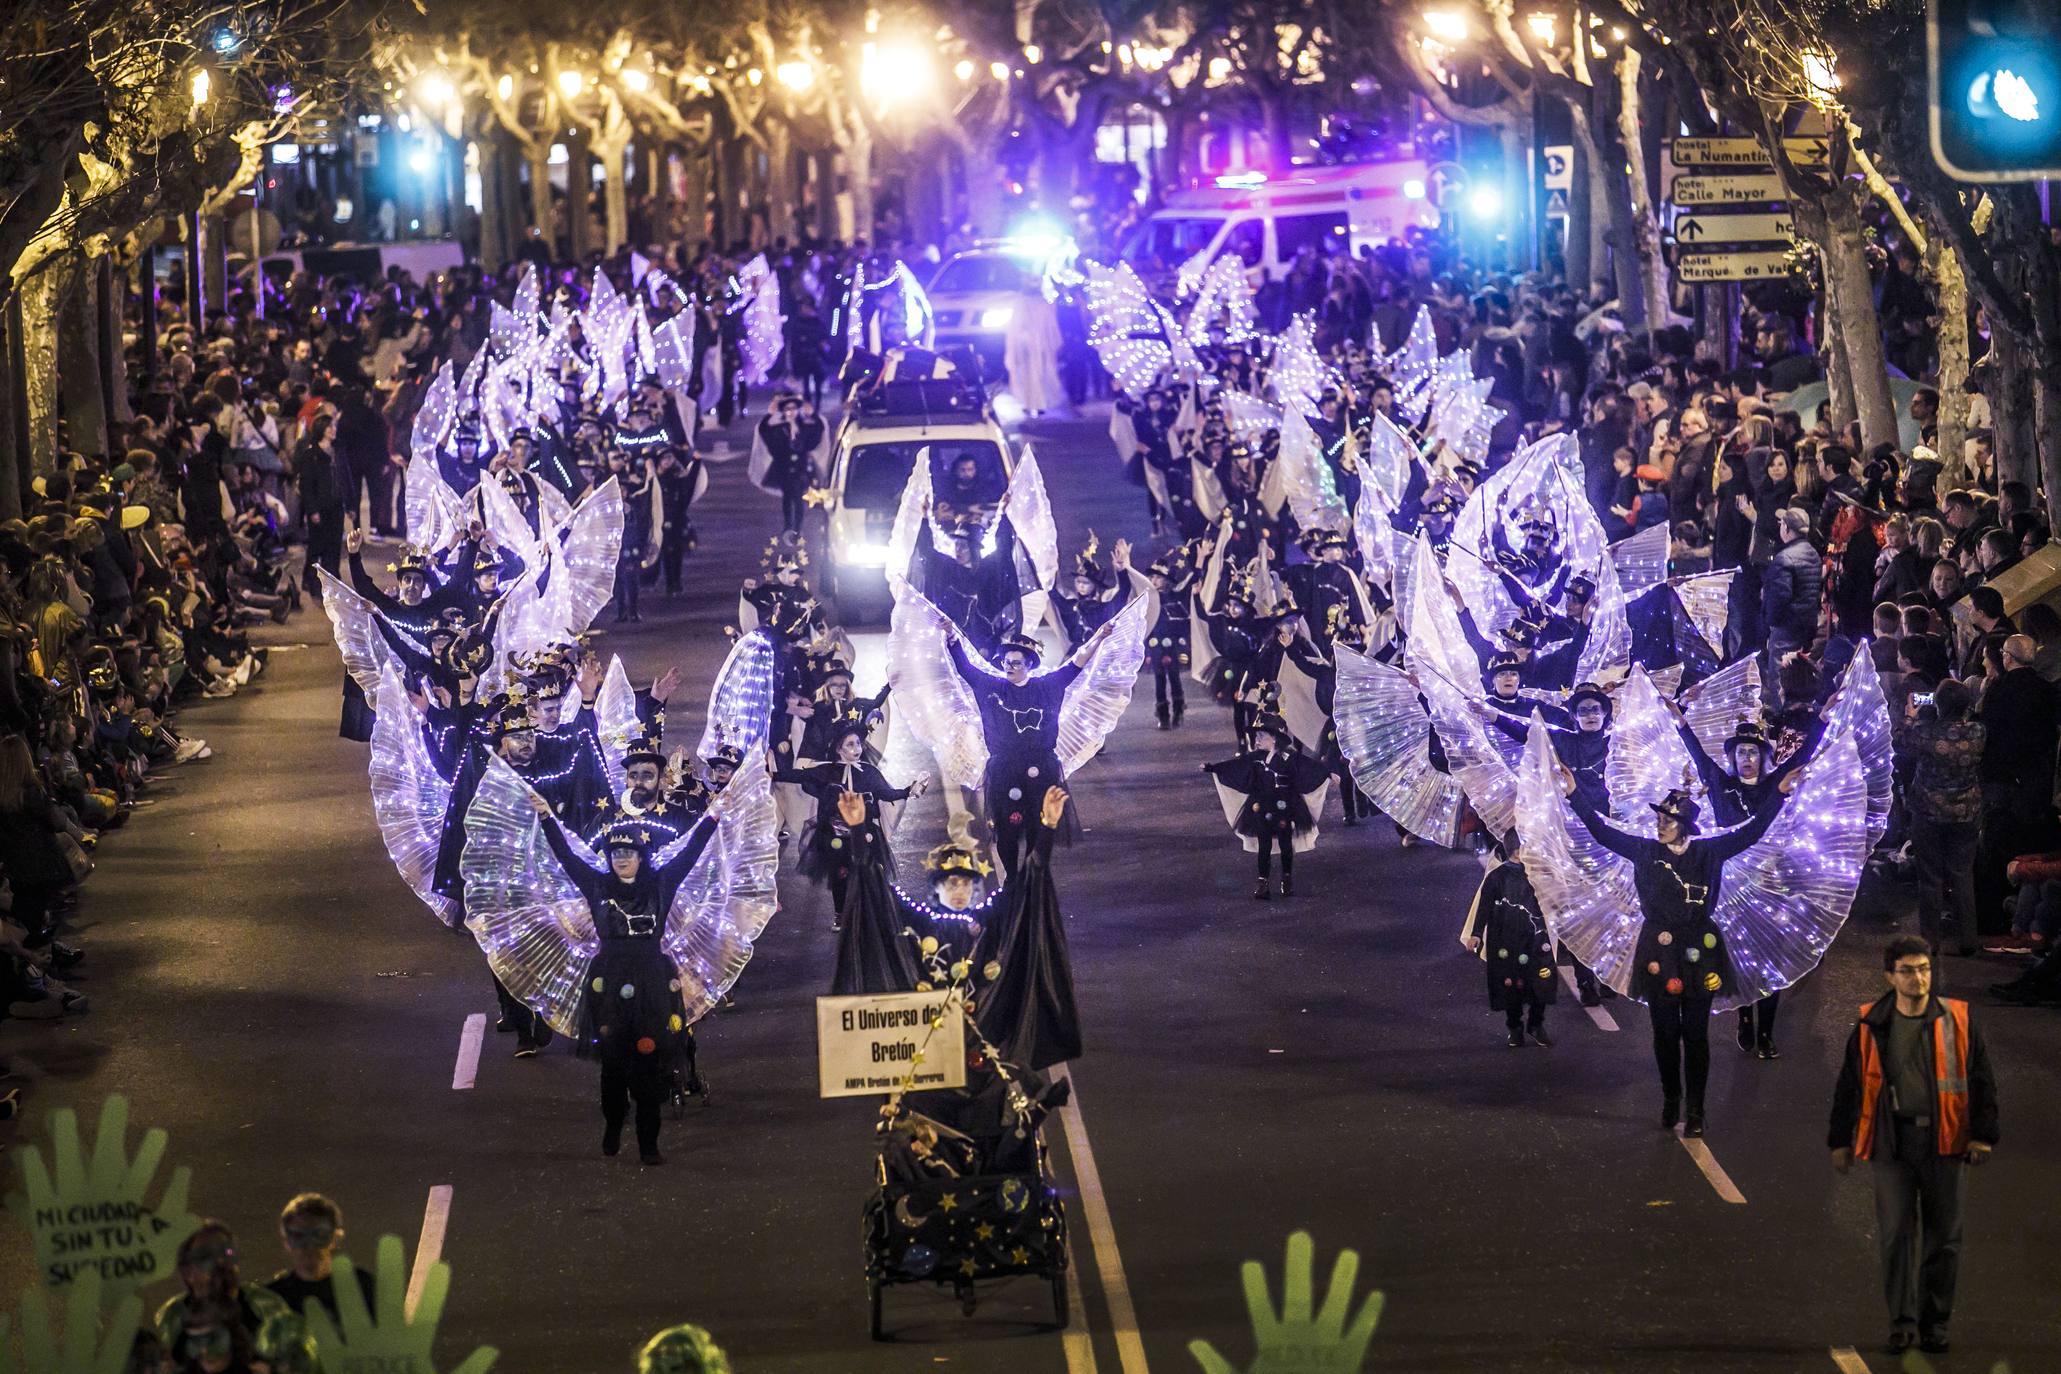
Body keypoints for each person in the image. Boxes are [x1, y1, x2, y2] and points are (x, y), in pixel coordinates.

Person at [1560, 773, 1800, 1137]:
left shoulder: (1709, 852)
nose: (1660, 826)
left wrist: (1779, 795)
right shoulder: (1645, 850)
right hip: (1658, 948)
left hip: (1700, 949)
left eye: (1667, 821)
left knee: (1696, 1033)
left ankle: (1697, 1109)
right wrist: (1575, 792)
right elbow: (1601, 831)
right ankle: (1671, 1097)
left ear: (1685, 826)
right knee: (1665, 1032)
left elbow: (1752, 833)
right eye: (1658, 819)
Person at [1828, 935, 2000, 1357]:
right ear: (1890, 976)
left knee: (1944, 1239)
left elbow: (1981, 1079)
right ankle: (1902, 1324)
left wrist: (1982, 1135)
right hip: (1892, 1142)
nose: (1918, 978)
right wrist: (1840, 1140)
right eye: (1908, 970)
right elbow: (1850, 1085)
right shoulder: (1871, 1022)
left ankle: (1934, 1324)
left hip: (1945, 1140)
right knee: (1896, 1237)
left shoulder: (1957, 1019)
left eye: (1924, 969)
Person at [528, 806, 716, 1165]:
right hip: (609, 983)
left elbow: (692, 852)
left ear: (641, 857)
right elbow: (565, 855)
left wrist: (713, 818)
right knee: (613, 1063)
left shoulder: (661, 883)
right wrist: (547, 818)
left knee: (648, 1061)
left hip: (652, 982)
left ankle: (649, 1142)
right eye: (615, 854)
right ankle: (614, 1122)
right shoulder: (597, 885)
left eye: (628, 853)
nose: (621, 860)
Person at [1203, 711, 1330, 900]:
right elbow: (1237, 766)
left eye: (1261, 736)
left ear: (1275, 738)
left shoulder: (1289, 757)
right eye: (1257, 737)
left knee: (1286, 844)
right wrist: (1214, 768)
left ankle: (1286, 879)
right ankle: (1263, 882)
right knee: (1264, 844)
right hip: (1261, 806)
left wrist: (1327, 773)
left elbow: (1308, 767)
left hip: (1285, 808)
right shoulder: (1256, 758)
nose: (1257, 740)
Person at [1902, 677, 1985, 956]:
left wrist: (1910, 716)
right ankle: (1968, 940)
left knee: (1930, 878)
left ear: (1938, 704)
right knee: (1963, 875)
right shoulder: (1977, 733)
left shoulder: (1927, 734)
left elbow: (1902, 741)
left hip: (1929, 811)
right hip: (1966, 812)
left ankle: (1931, 941)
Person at [1459, 830, 1557, 1046]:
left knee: (1540, 981)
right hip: (1507, 940)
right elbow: (1484, 906)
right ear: (1516, 850)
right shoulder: (1497, 877)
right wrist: (1476, 934)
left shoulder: (1539, 874)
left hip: (1535, 939)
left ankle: (1536, 1024)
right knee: (1511, 985)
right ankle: (1515, 1026)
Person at [261, 1193, 375, 1321]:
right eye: (299, 1236)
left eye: (319, 1234)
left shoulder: (368, 1289)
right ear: (287, 1242)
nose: (310, 1245)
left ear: (335, 1238)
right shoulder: (271, 1299)